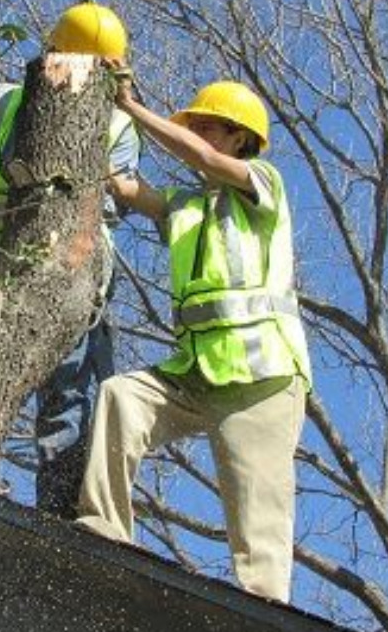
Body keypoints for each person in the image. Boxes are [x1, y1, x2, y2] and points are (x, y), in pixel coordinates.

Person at [76, 74, 312, 602]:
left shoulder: (262, 184)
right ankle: (105, 530)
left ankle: (267, 619)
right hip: (195, 371)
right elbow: (131, 189)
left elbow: (203, 161)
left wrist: (134, 107)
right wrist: (95, 124)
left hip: (262, 376)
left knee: (257, 519)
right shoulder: (186, 206)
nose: (197, 134)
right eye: (195, 126)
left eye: (207, 126)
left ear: (237, 137)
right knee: (121, 397)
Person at [0, 2, 142, 517]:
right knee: (41, 389)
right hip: (5, 264)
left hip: (58, 268)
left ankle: (56, 508)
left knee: (64, 388)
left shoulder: (116, 125)